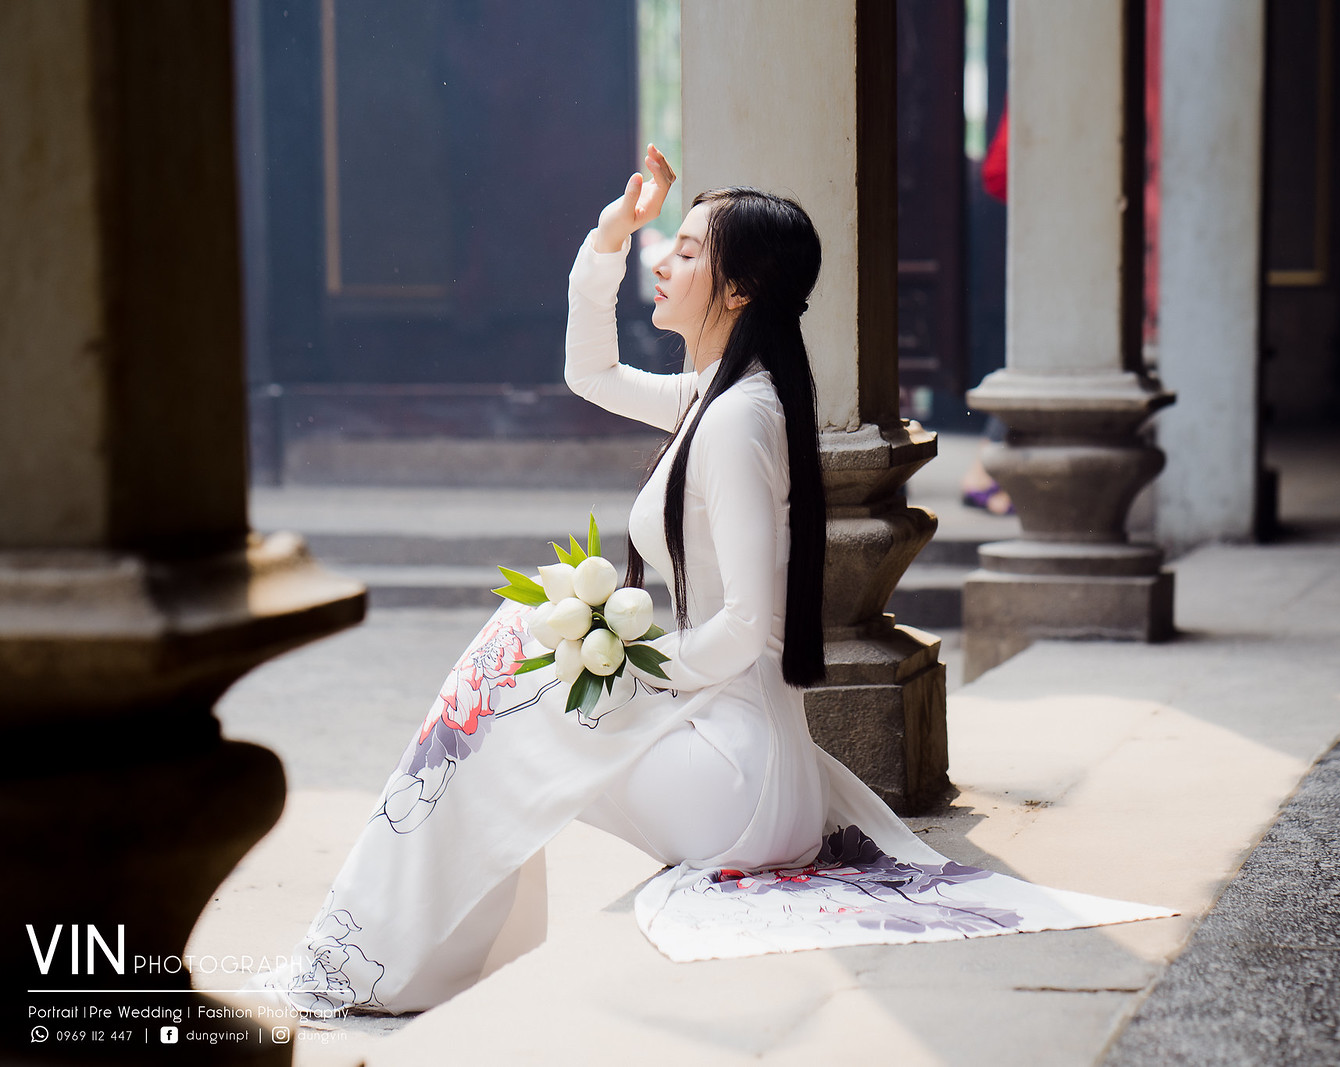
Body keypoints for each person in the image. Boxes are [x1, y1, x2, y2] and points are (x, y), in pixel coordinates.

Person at [242, 146, 1166, 1017]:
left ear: (739, 287)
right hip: (739, 760)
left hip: (737, 784)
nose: (663, 262)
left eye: (685, 251)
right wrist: (610, 235)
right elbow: (588, 372)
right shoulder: (719, 396)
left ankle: (373, 956)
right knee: (502, 692)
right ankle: (391, 951)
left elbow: (746, 629)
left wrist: (621, 662)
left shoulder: (734, 420)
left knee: (499, 702)